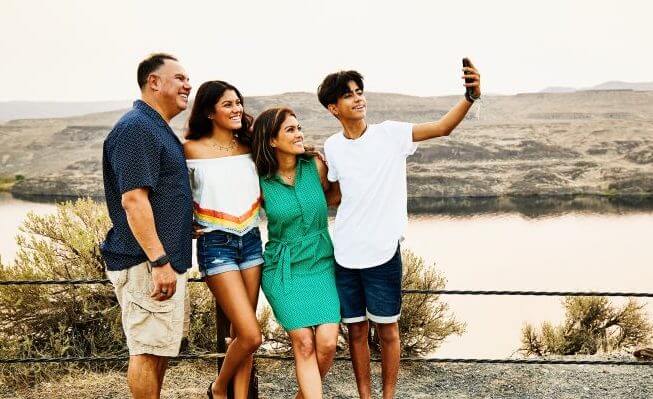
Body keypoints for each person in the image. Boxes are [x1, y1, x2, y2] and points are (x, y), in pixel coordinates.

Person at [317, 60, 482, 399]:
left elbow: (442, 127)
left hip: (382, 252)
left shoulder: (390, 134)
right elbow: (334, 196)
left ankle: (387, 396)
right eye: (348, 96)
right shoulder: (332, 147)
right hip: (345, 252)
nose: (358, 99)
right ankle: (365, 395)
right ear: (333, 108)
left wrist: (470, 96)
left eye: (359, 92)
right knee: (357, 333)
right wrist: (312, 169)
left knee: (388, 330)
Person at [101, 53, 193, 399]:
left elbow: (160, 197)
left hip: (160, 262)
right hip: (146, 264)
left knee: (158, 350)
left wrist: (185, 226)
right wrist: (159, 262)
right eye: (180, 78)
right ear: (154, 82)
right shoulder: (136, 128)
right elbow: (134, 201)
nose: (188, 85)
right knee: (146, 350)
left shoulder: (156, 128)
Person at [251, 107, 341, 399]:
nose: (299, 133)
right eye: (290, 129)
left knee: (327, 343)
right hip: (284, 268)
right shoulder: (259, 181)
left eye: (298, 127)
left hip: (322, 262)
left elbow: (336, 195)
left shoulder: (315, 166)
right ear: (272, 140)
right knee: (303, 342)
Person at [184, 80, 263, 399]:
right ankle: (218, 388)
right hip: (216, 244)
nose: (237, 109)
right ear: (209, 111)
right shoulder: (190, 149)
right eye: (228, 104)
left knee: (239, 334)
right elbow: (171, 193)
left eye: (238, 103)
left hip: (252, 240)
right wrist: (182, 223)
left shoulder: (251, 146)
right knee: (251, 334)